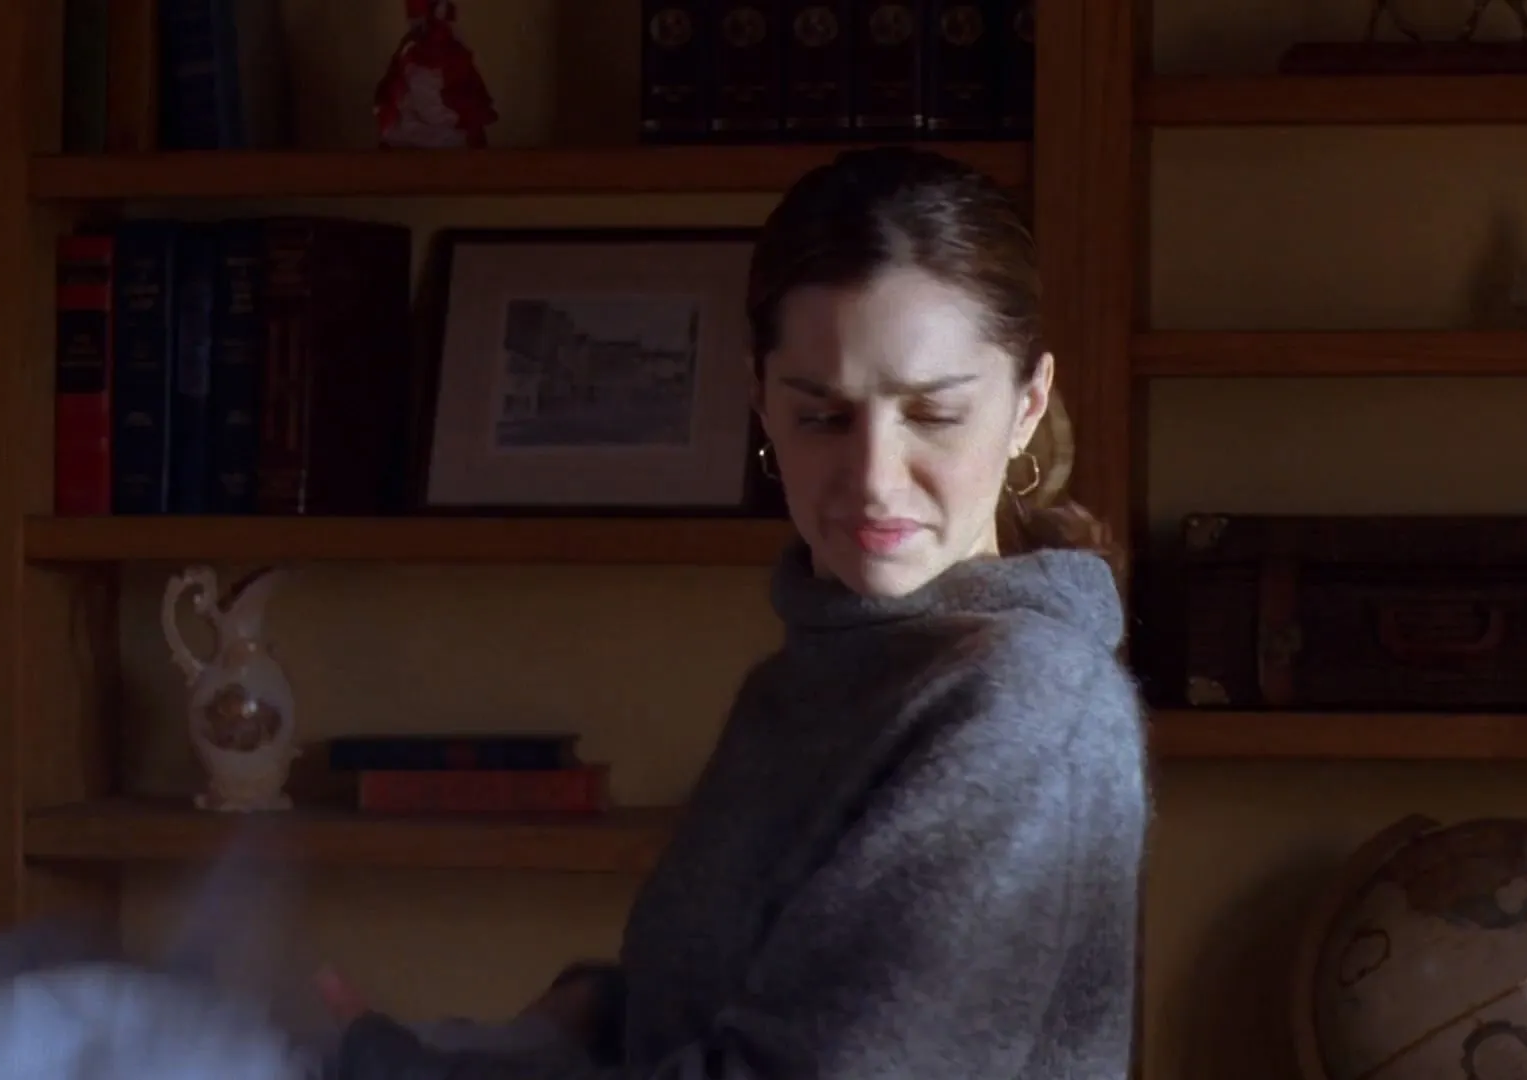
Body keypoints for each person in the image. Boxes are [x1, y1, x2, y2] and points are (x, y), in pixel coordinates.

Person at [328, 146, 1152, 1079]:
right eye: (822, 416)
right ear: (761, 402)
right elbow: (733, 1003)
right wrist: (589, 1015)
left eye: (932, 414)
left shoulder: (1034, 703)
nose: (874, 479)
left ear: (1027, 405)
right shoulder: (802, 679)